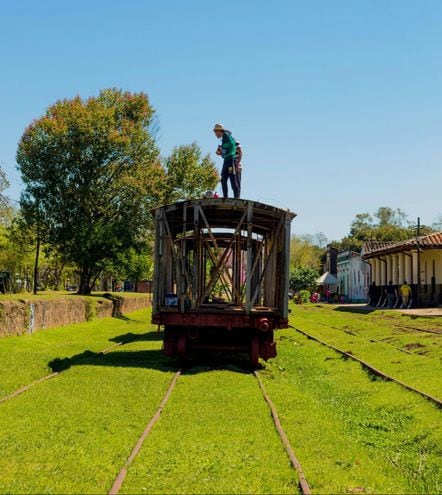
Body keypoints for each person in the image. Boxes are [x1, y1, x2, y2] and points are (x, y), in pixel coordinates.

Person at [213, 123, 240, 199]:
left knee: (232, 180)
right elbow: (227, 150)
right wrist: (221, 151)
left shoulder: (226, 135)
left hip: (231, 160)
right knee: (223, 180)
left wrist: (221, 149)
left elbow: (231, 145)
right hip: (227, 160)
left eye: (215, 132)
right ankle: (226, 197)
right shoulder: (224, 137)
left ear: (219, 131)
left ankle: (236, 198)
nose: (215, 134)